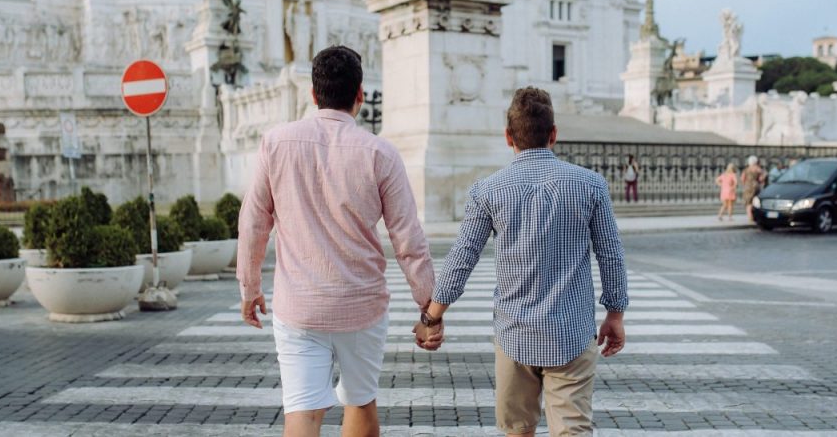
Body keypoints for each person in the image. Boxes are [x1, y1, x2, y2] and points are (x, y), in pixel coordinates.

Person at [237, 45, 436, 437]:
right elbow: (408, 239)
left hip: (299, 307)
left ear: (313, 95)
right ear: (359, 95)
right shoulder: (381, 153)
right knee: (360, 401)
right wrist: (429, 309)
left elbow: (253, 221)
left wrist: (250, 287)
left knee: (302, 412)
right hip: (361, 305)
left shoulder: (276, 143)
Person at [420, 87, 628, 436]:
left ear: (507, 137)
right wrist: (615, 314)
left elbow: (461, 258)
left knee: (517, 430)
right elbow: (611, 253)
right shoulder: (590, 185)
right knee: (573, 430)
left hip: (514, 335)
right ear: (554, 134)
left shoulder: (488, 191)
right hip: (572, 333)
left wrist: (431, 317)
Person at [741, 155, 766, 222]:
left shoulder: (746, 169)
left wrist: (745, 185)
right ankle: (756, 216)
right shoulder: (758, 169)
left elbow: (742, 179)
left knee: (748, 203)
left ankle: (750, 217)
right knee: (755, 202)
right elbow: (762, 179)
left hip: (748, 186)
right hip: (756, 186)